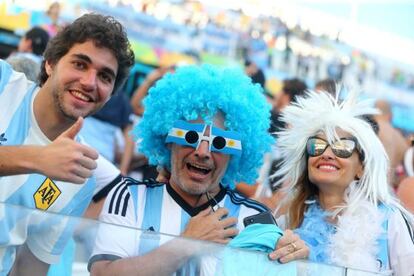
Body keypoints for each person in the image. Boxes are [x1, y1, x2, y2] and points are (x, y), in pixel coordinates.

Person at [89, 65, 309, 275]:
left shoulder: (254, 218)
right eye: (190, 136)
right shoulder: (129, 197)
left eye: (220, 142)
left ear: (235, 153)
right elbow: (103, 273)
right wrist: (186, 243)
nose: (203, 151)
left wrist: (297, 265)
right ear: (167, 140)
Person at [0, 13, 135, 275]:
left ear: (109, 96)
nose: (89, 82)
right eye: (80, 64)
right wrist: (37, 159)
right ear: (50, 63)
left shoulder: (81, 177)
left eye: (105, 77)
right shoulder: (3, 85)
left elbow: (30, 265)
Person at [273, 90, 414, 275]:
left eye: (343, 147)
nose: (327, 154)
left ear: (361, 168)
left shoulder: (390, 222)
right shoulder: (289, 219)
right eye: (317, 145)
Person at [374, 99, 409, 189]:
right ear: (391, 116)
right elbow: (402, 174)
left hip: (361, 187)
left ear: (373, 112)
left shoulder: (369, 128)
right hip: (386, 191)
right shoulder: (401, 140)